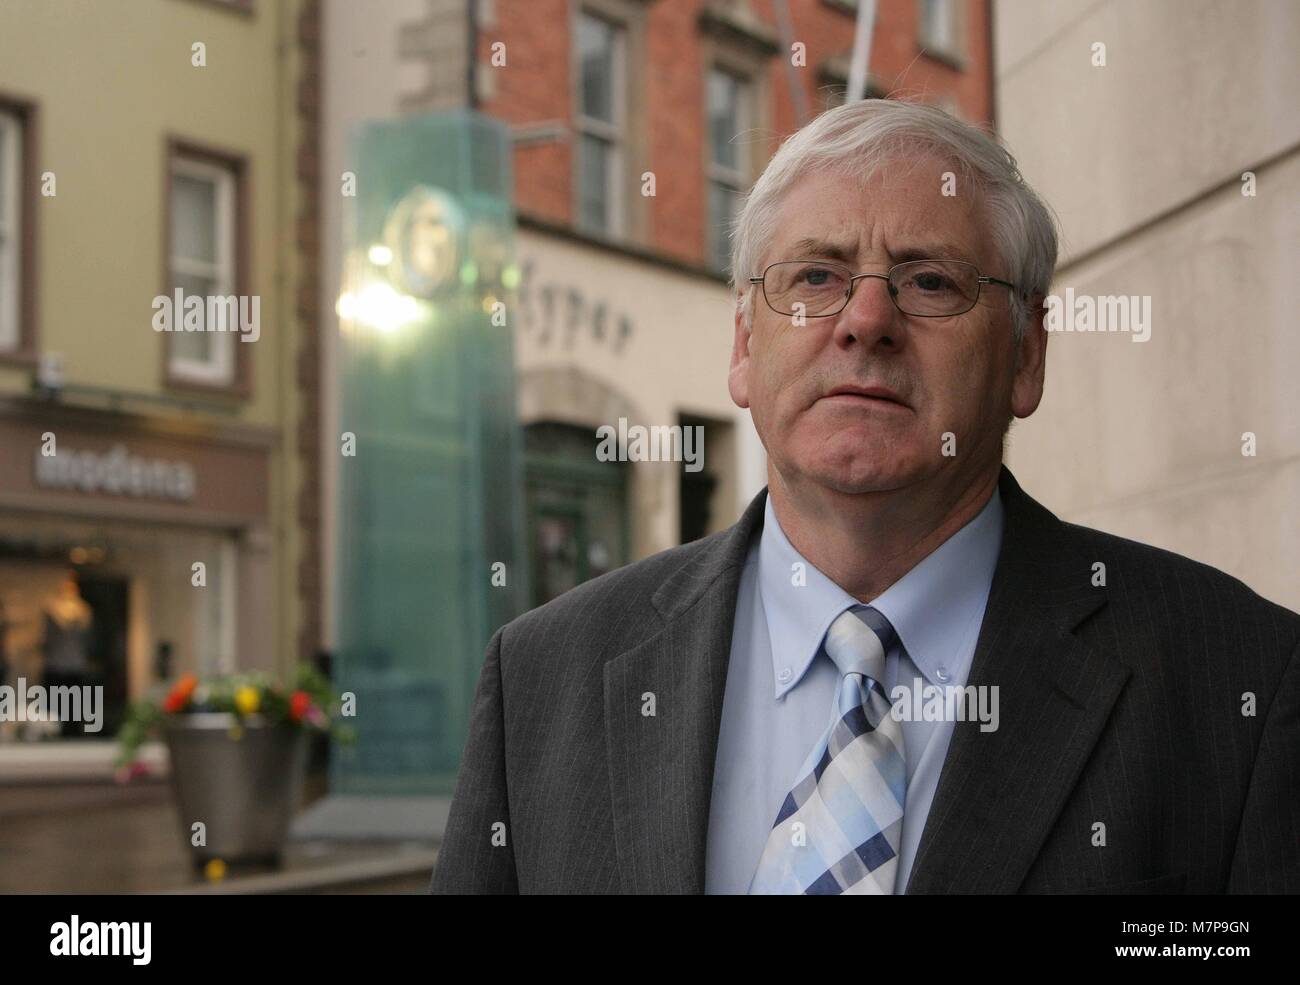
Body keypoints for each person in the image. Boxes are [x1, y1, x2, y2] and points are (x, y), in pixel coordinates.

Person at [430, 99, 1299, 894]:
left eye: (930, 281)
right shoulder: (542, 679)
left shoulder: (1241, 685)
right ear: (743, 342)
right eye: (814, 277)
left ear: (1027, 355)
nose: (865, 319)